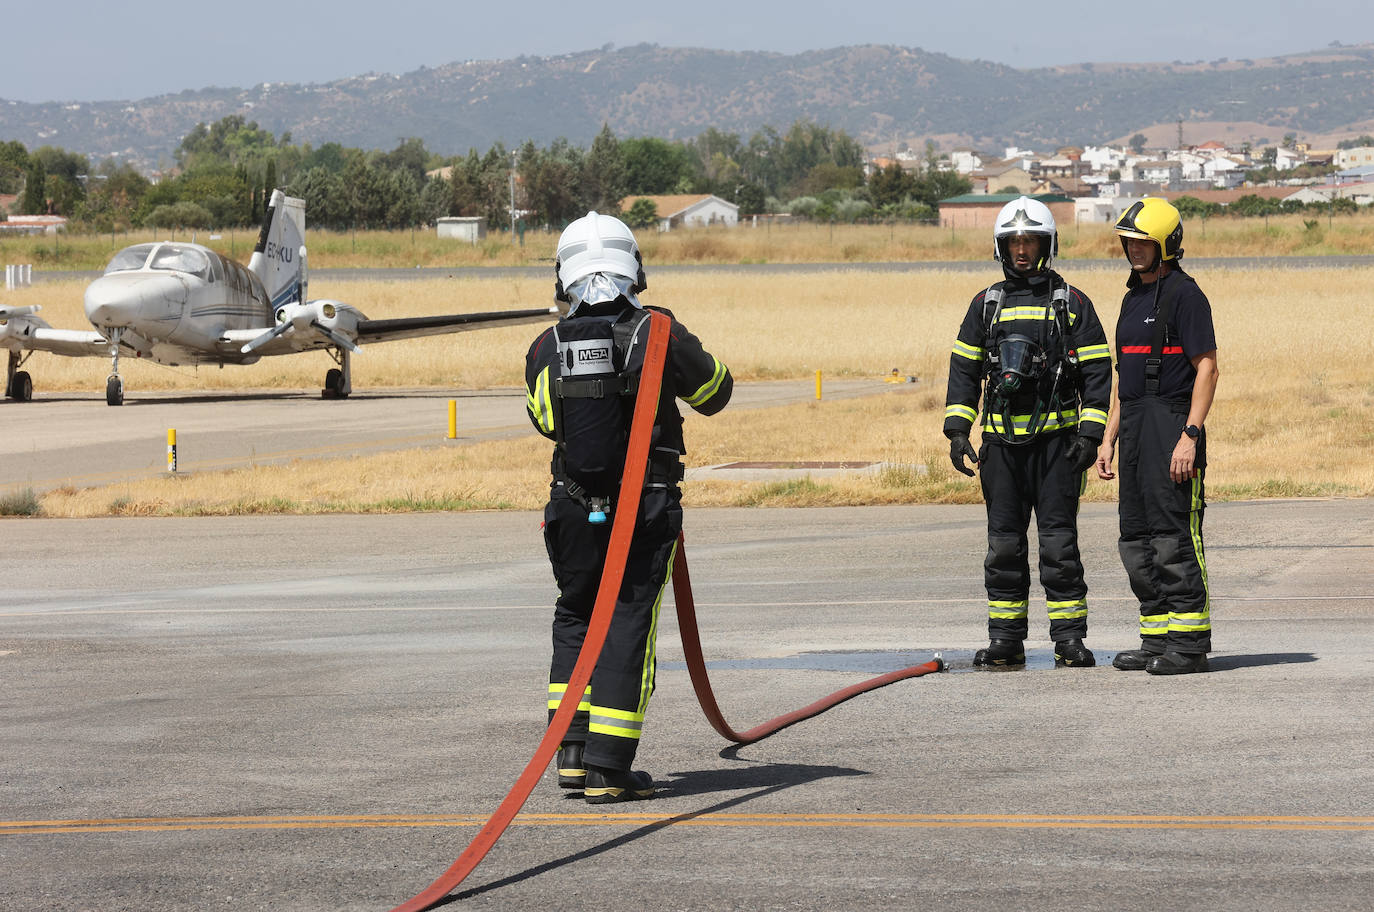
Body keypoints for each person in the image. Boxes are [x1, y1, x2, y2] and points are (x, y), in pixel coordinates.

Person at [525, 211, 732, 802]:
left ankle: (571, 758)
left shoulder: (546, 343)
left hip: (570, 507)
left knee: (575, 617)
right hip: (642, 509)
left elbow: (544, 421)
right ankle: (609, 769)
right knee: (627, 623)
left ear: (563, 276)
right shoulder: (656, 331)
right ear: (633, 268)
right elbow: (716, 392)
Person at [943, 196, 1114, 669]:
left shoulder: (1072, 303)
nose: (1022, 250)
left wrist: (1090, 434)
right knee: (1004, 547)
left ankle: (1070, 641)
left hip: (1058, 449)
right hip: (1000, 449)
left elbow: (1099, 374)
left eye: (1031, 240)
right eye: (1014, 241)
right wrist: (958, 430)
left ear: (1047, 244)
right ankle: (1005, 641)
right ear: (1001, 247)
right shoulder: (985, 305)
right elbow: (963, 370)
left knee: (1059, 547)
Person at [1095, 198, 1218, 675]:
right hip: (1135, 431)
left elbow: (1206, 367)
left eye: (1143, 241)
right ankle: (1156, 638)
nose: (1134, 249)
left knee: (1174, 538)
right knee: (1137, 538)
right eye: (1129, 241)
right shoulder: (1132, 299)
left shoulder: (1188, 296)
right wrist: (1109, 440)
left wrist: (1190, 435)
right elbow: (1124, 382)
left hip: (1172, 425)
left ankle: (1188, 645)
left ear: (1167, 243)